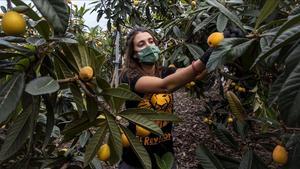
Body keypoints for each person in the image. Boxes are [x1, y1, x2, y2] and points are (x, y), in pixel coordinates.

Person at [119, 27, 212, 169]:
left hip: (165, 155)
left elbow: (196, 75)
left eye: (151, 41)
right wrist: (204, 59)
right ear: (134, 54)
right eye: (141, 44)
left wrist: (218, 53)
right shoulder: (129, 77)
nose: (149, 46)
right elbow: (165, 86)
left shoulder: (165, 71)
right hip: (136, 158)